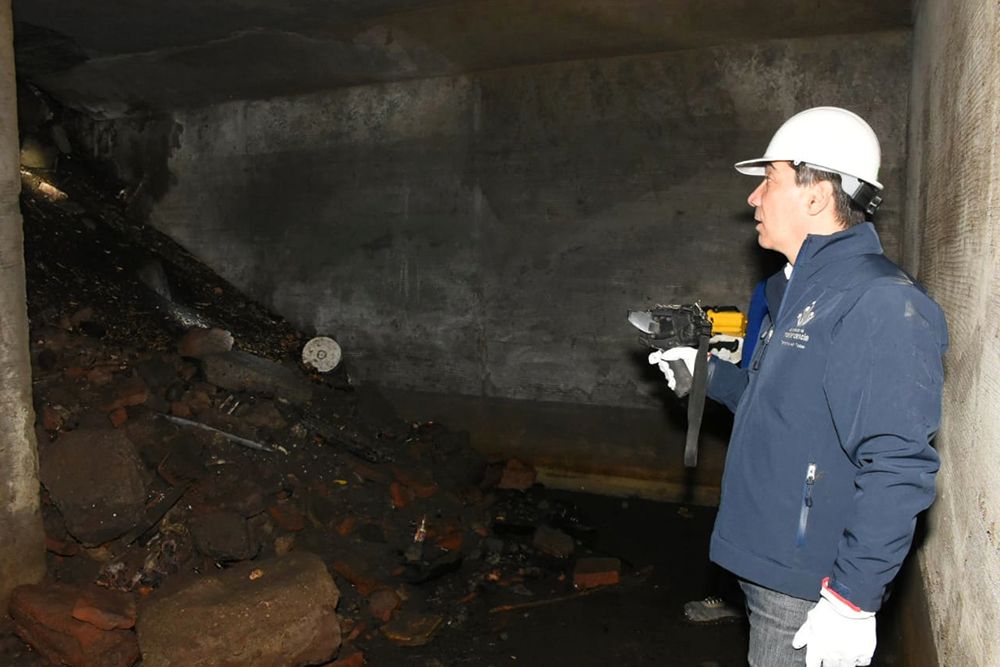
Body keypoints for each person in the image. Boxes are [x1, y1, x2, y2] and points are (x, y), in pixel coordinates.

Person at [650, 107, 947, 667]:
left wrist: (852, 600)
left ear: (815, 195)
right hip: (773, 563)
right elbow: (787, 407)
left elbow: (898, 463)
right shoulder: (799, 292)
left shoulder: (878, 301)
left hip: (810, 588)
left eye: (770, 180)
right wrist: (707, 375)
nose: (753, 198)